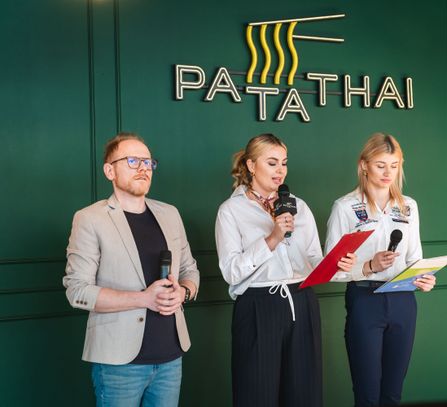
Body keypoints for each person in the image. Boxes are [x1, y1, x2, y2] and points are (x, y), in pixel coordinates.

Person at [215, 133, 355, 407]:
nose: (280, 170)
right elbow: (231, 272)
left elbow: (313, 258)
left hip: (302, 302)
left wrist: (336, 265)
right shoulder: (230, 210)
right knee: (257, 393)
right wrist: (272, 238)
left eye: (284, 163)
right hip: (257, 306)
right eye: (272, 163)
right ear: (251, 165)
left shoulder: (299, 206)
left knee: (304, 393)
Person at [63, 132, 199, 407]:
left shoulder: (170, 214)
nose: (143, 168)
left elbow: (190, 270)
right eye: (133, 161)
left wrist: (183, 292)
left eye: (148, 162)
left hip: (171, 357)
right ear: (109, 171)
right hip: (119, 364)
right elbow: (77, 291)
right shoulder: (90, 219)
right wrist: (144, 299)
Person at [325, 133, 436, 407]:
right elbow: (331, 269)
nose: (388, 173)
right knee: (367, 394)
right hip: (365, 301)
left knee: (393, 393)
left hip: (403, 301)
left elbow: (414, 258)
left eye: (394, 165)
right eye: (380, 165)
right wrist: (369, 266)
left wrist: (423, 278)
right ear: (364, 165)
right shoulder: (345, 207)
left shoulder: (409, 206)